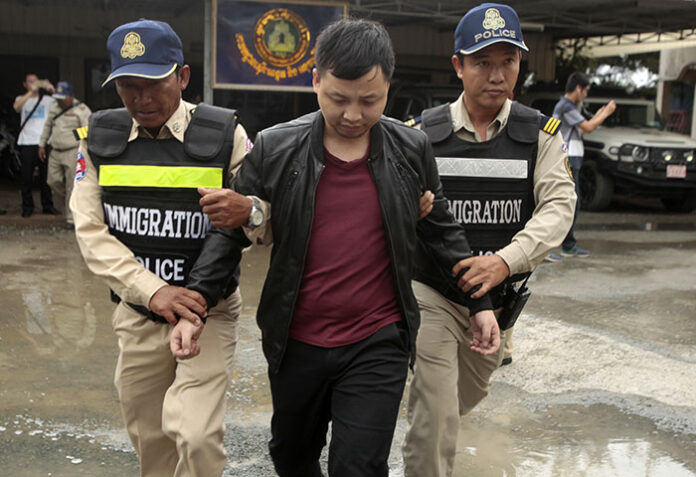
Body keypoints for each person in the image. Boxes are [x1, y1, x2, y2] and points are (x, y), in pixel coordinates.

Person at [179, 18, 499, 477]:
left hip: (378, 339)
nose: (353, 114)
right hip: (297, 339)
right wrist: (197, 306)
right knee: (292, 457)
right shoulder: (275, 148)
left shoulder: (411, 149)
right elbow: (229, 233)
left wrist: (479, 303)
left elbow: (441, 232)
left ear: (389, 86)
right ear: (315, 81)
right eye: (338, 98)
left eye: (369, 100)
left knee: (360, 466)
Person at [69, 18, 266, 477]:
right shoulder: (98, 140)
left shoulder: (225, 135)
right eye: (128, 86)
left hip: (209, 310)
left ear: (182, 76)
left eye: (154, 83)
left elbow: (262, 216)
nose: (141, 98)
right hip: (138, 315)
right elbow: (91, 231)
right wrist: (153, 291)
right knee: (151, 444)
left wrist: (251, 210)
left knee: (195, 435)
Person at [401, 4, 577, 476]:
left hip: (497, 302)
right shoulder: (425, 136)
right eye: (483, 62)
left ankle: (429, 416)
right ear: (458, 65)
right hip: (434, 293)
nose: (497, 75)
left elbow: (559, 207)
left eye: (508, 61)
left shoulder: (539, 136)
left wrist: (505, 261)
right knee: (435, 412)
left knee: (464, 395)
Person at [552, 71, 616, 258]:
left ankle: (566, 243)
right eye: (586, 90)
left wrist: (600, 114)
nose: (586, 95)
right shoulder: (567, 106)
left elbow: (584, 127)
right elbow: (588, 127)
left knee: (570, 201)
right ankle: (566, 244)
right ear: (578, 89)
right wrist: (606, 113)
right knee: (570, 201)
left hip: (571, 157)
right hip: (569, 157)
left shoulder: (568, 106)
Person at [39, 81, 91, 229]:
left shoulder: (81, 109)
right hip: (55, 152)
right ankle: (72, 205)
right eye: (58, 98)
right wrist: (41, 144)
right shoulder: (54, 107)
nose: (60, 102)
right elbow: (48, 125)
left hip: (72, 152)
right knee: (52, 181)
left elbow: (89, 130)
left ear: (71, 96)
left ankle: (71, 218)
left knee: (71, 185)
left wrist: (72, 135)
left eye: (62, 98)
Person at [13, 73, 58, 218]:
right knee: (26, 177)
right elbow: (16, 107)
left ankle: (47, 205)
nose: (33, 83)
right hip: (27, 142)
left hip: (44, 142)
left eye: (35, 81)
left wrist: (51, 89)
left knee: (46, 177)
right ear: (25, 84)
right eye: (30, 82)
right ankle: (27, 207)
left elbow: (64, 102)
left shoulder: (47, 100)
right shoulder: (21, 99)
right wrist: (30, 93)